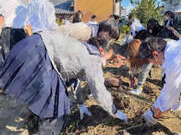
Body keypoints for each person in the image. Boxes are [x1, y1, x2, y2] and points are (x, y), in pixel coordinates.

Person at [0, 30, 128, 134]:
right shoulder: (93, 58)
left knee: (41, 99)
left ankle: (33, 127)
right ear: (101, 51)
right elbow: (98, 89)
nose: (106, 64)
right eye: (108, 60)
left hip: (30, 46)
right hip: (40, 53)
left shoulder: (83, 49)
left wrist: (80, 104)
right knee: (57, 109)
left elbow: (71, 79)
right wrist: (114, 111)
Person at [130, 19, 181, 95]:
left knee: (166, 71)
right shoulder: (147, 40)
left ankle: (140, 89)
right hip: (164, 48)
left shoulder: (165, 33)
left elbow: (144, 69)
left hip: (170, 50)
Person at [0, 0, 30, 66]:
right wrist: (30, 36)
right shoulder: (22, 6)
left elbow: (1, 18)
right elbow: (28, 25)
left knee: (7, 57)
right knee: (20, 56)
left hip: (7, 32)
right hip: (20, 32)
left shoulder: (2, 2)